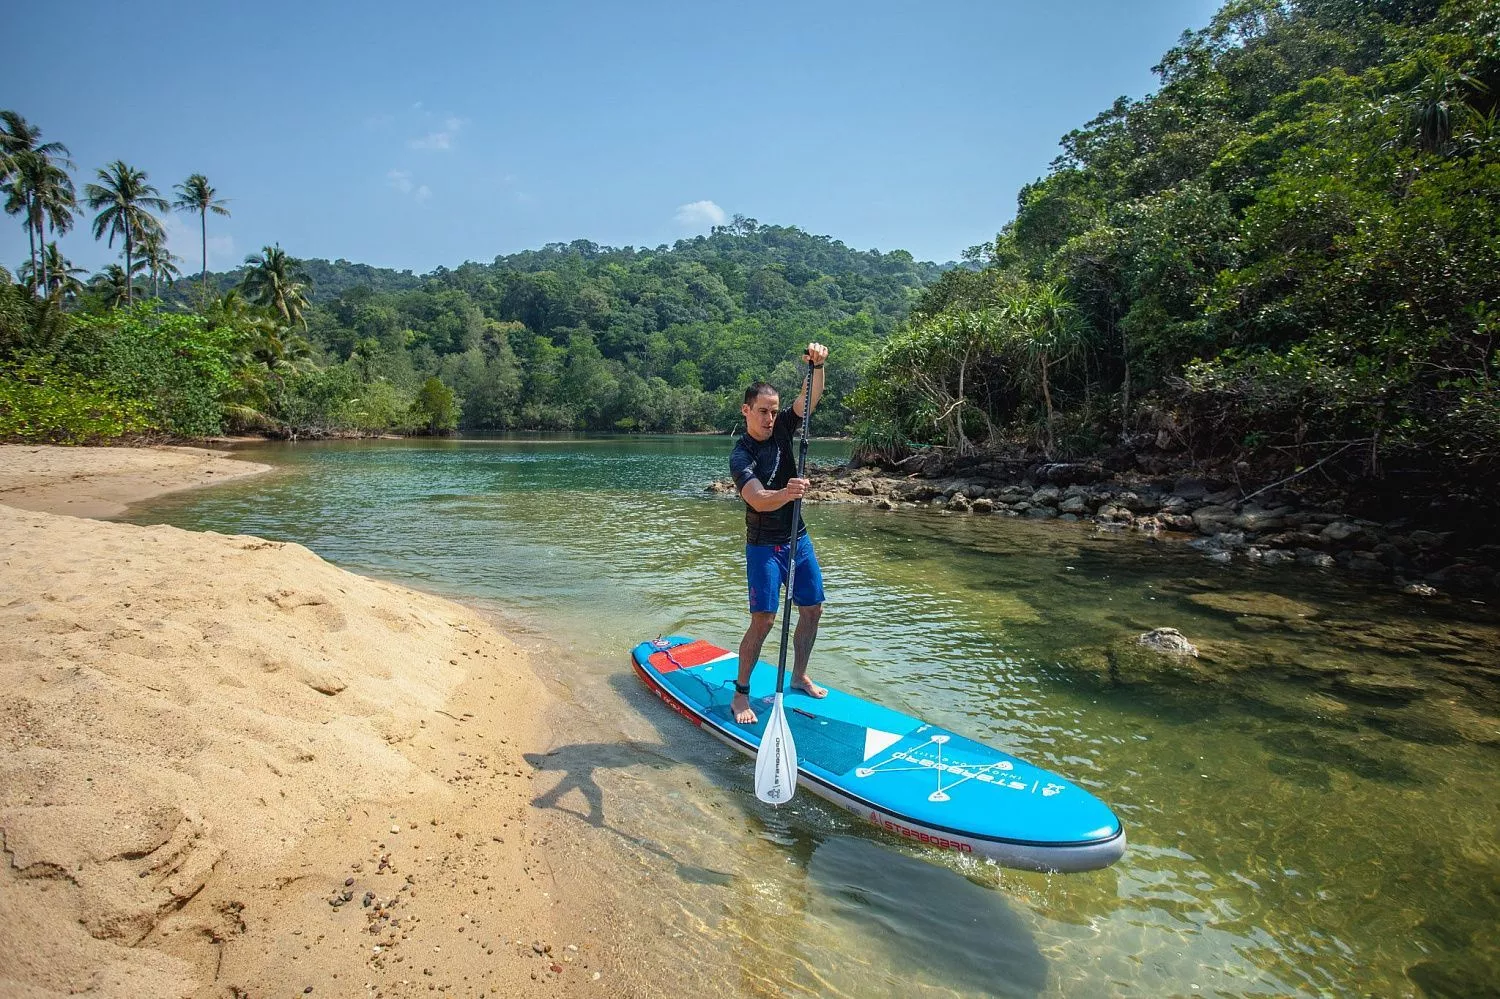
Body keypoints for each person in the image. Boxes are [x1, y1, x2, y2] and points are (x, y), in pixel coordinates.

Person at [728, 342, 830, 725]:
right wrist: (787, 492)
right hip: (763, 545)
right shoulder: (741, 455)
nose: (770, 419)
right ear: (746, 411)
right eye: (763, 412)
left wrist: (818, 366)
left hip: (797, 538)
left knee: (813, 609)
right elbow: (756, 499)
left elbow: (810, 400)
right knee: (765, 620)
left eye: (774, 411)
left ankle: (799, 674)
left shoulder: (785, 425)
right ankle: (741, 694)